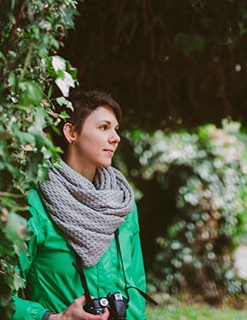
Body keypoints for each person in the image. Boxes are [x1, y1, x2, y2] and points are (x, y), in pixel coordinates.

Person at [11, 89, 151, 320]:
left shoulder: (121, 203)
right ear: (71, 132)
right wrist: (53, 319)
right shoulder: (35, 204)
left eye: (116, 129)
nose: (115, 137)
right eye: (104, 127)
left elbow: (137, 288)